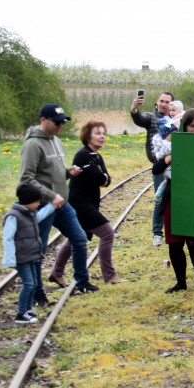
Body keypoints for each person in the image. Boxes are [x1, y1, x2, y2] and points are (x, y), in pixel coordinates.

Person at [20, 104, 96, 297]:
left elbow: (52, 174)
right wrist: (51, 195)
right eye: (57, 122)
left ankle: (82, 282)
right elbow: (27, 179)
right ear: (43, 120)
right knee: (39, 250)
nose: (61, 125)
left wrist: (67, 173)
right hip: (42, 206)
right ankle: (37, 293)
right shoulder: (32, 145)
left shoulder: (56, 141)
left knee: (79, 239)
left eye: (63, 121)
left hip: (62, 204)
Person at [48, 120, 126, 287]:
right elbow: (100, 178)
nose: (102, 136)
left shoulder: (96, 156)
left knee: (74, 239)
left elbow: (107, 180)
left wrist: (102, 176)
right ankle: (109, 275)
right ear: (88, 136)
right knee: (107, 233)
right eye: (97, 133)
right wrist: (102, 176)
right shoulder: (84, 155)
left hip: (87, 203)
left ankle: (56, 273)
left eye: (104, 133)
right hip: (81, 204)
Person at [156, 108, 194, 295]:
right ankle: (181, 283)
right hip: (174, 197)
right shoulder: (173, 143)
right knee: (174, 243)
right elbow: (156, 168)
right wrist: (174, 156)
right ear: (184, 126)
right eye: (192, 126)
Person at [2, 183, 56, 323]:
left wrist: (51, 206)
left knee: (33, 282)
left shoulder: (28, 214)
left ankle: (28, 309)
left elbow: (40, 217)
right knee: (28, 284)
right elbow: (8, 237)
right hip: (22, 257)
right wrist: (9, 259)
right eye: (37, 201)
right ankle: (21, 313)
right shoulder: (14, 216)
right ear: (28, 201)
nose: (38, 204)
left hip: (32, 255)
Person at [131, 91, 174, 246]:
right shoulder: (151, 117)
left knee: (174, 198)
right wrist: (134, 109)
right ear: (157, 102)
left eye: (167, 102)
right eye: (161, 101)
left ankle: (173, 229)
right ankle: (157, 232)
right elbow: (139, 119)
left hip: (175, 165)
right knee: (160, 198)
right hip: (159, 166)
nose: (163, 104)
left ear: (171, 105)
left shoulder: (175, 119)